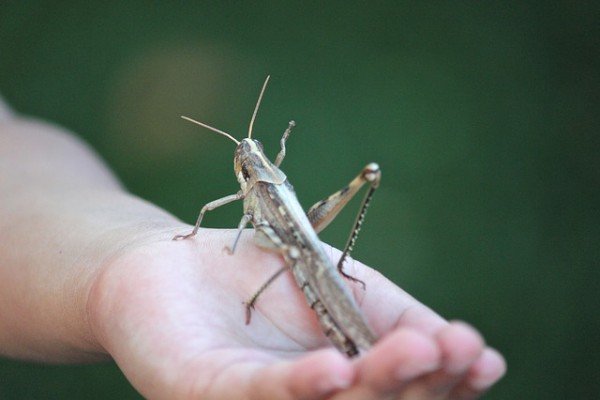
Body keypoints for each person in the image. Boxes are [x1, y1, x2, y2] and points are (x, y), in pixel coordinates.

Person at [0, 101, 505, 400]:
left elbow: (251, 223)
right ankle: (344, 288)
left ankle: (342, 272)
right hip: (293, 233)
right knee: (285, 241)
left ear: (250, 167)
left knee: (308, 231)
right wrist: (134, 261)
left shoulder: (258, 184)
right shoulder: (265, 175)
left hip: (297, 238)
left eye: (249, 157)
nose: (247, 162)